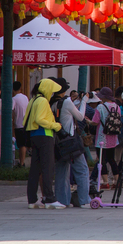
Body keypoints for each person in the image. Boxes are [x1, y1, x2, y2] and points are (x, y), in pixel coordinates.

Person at [23, 78, 66, 209]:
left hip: (34, 136)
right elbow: (40, 119)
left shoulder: (33, 100)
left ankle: (32, 199)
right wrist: (56, 126)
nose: (52, 94)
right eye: (52, 91)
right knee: (48, 168)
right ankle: (49, 198)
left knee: (35, 169)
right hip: (45, 135)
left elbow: (28, 119)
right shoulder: (42, 101)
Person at [54, 80, 89, 208]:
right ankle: (84, 200)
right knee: (82, 170)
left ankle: (62, 201)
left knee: (62, 172)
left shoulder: (51, 102)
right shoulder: (67, 102)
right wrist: (84, 100)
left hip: (58, 141)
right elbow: (80, 117)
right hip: (70, 142)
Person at [89, 87, 121, 189]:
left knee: (101, 160)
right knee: (112, 159)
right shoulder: (117, 107)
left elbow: (95, 122)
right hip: (113, 137)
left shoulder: (100, 107)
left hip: (102, 138)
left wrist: (87, 121)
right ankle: (116, 181)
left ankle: (105, 182)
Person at [11, 81, 30, 167]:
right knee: (24, 144)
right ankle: (22, 161)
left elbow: (11, 110)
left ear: (12, 89)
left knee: (21, 144)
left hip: (18, 124)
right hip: (26, 123)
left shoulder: (14, 99)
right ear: (20, 88)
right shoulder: (25, 97)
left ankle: (21, 163)